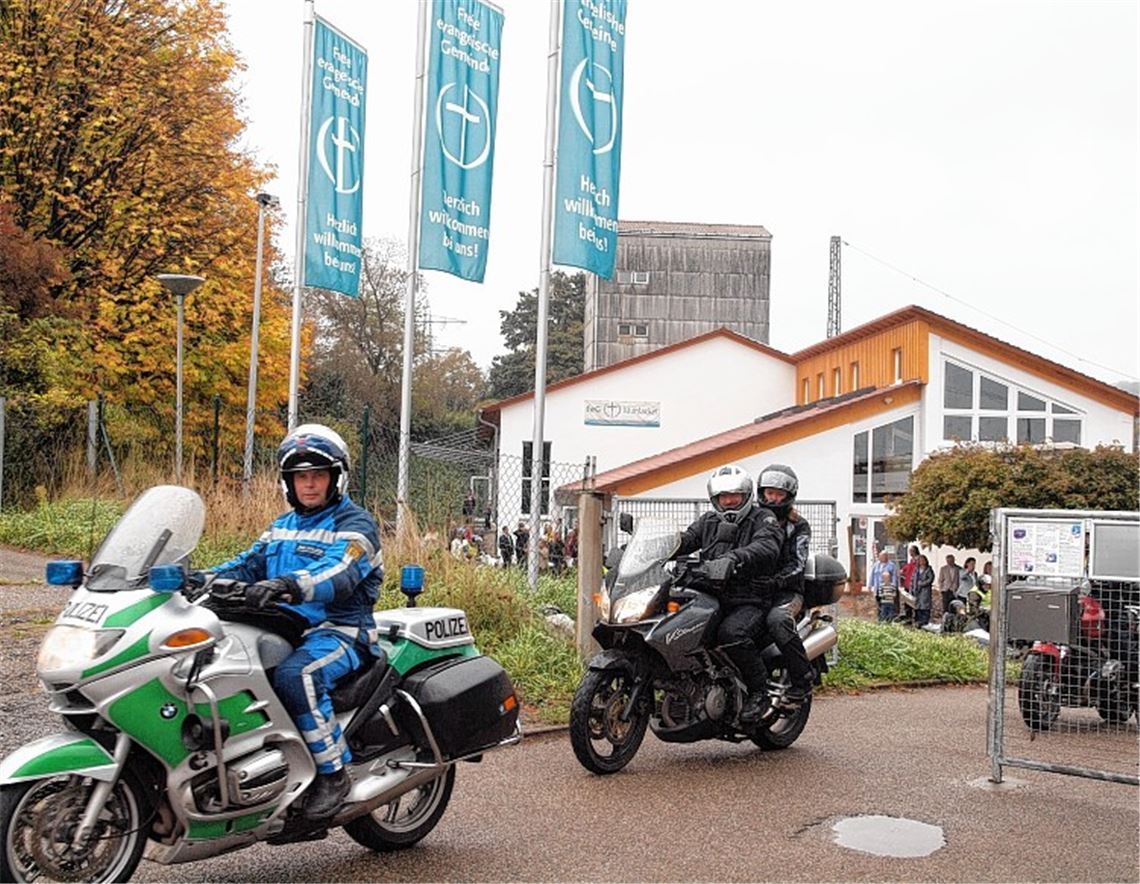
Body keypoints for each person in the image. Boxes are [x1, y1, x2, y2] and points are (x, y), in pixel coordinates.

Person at [211, 424, 382, 819]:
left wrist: (287, 584)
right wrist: (195, 579)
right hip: (285, 627)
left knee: (296, 676)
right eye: (300, 476)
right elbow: (245, 564)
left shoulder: (356, 524)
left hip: (340, 631)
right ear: (288, 481)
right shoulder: (282, 526)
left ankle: (333, 772)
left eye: (317, 475)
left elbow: (338, 571)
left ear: (335, 478)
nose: (309, 484)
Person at [674, 463, 785, 725]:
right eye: (724, 498)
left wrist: (735, 558)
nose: (729, 502)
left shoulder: (763, 518)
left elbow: (767, 546)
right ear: (715, 499)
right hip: (711, 595)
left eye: (735, 497)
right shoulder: (709, 521)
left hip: (749, 598)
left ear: (746, 496)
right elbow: (687, 539)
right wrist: (653, 549)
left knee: (731, 633)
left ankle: (759, 693)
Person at [754, 464, 816, 705]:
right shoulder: (753, 518)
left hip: (787, 591)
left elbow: (798, 563)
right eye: (770, 492)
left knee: (777, 621)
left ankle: (802, 679)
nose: (773, 498)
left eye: (779, 494)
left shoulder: (798, 525)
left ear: (789, 496)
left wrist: (777, 581)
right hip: (754, 588)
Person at [868, 550, 898, 621]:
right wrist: (869, 585)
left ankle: (888, 619)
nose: (881, 558)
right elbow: (872, 575)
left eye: (883, 556)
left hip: (887, 588)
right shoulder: (876, 565)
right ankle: (880, 618)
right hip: (878, 587)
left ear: (887, 557)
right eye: (880, 556)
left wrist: (893, 586)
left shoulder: (891, 565)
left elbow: (894, 576)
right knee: (879, 602)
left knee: (888, 604)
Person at [912, 554, 935, 627]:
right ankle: (918, 621)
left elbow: (930, 579)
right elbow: (913, 580)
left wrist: (922, 583)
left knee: (925, 606)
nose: (921, 562)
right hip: (917, 591)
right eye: (920, 560)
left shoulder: (928, 569)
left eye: (923, 560)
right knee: (917, 606)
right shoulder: (916, 570)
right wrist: (913, 588)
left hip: (925, 591)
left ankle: (925, 622)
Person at [937, 554, 961, 618]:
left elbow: (960, 580)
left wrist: (958, 589)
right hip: (946, 590)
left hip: (955, 590)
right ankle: (945, 620)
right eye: (948, 561)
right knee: (945, 607)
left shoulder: (958, 569)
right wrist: (941, 588)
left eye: (951, 560)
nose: (950, 562)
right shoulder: (943, 569)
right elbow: (940, 580)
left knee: (954, 606)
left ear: (954, 560)